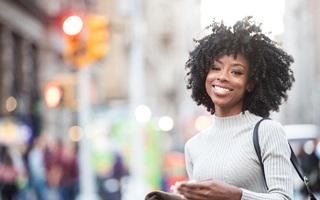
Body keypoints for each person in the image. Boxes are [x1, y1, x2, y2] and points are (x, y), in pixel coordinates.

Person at [172, 16, 296, 199]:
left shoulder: (267, 131)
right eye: (215, 68)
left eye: (236, 72)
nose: (222, 77)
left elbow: (284, 197)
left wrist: (236, 195)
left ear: (250, 83)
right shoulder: (193, 146)